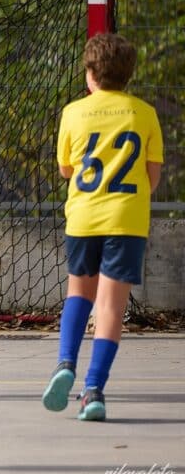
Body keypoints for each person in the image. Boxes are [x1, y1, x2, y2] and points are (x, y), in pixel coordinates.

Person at [42, 32, 163, 421]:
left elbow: (65, 169)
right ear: (128, 75)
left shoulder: (72, 113)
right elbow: (153, 177)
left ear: (90, 74)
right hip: (126, 218)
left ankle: (64, 364)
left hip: (84, 216)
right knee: (111, 305)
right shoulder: (144, 113)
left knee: (79, 291)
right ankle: (93, 390)